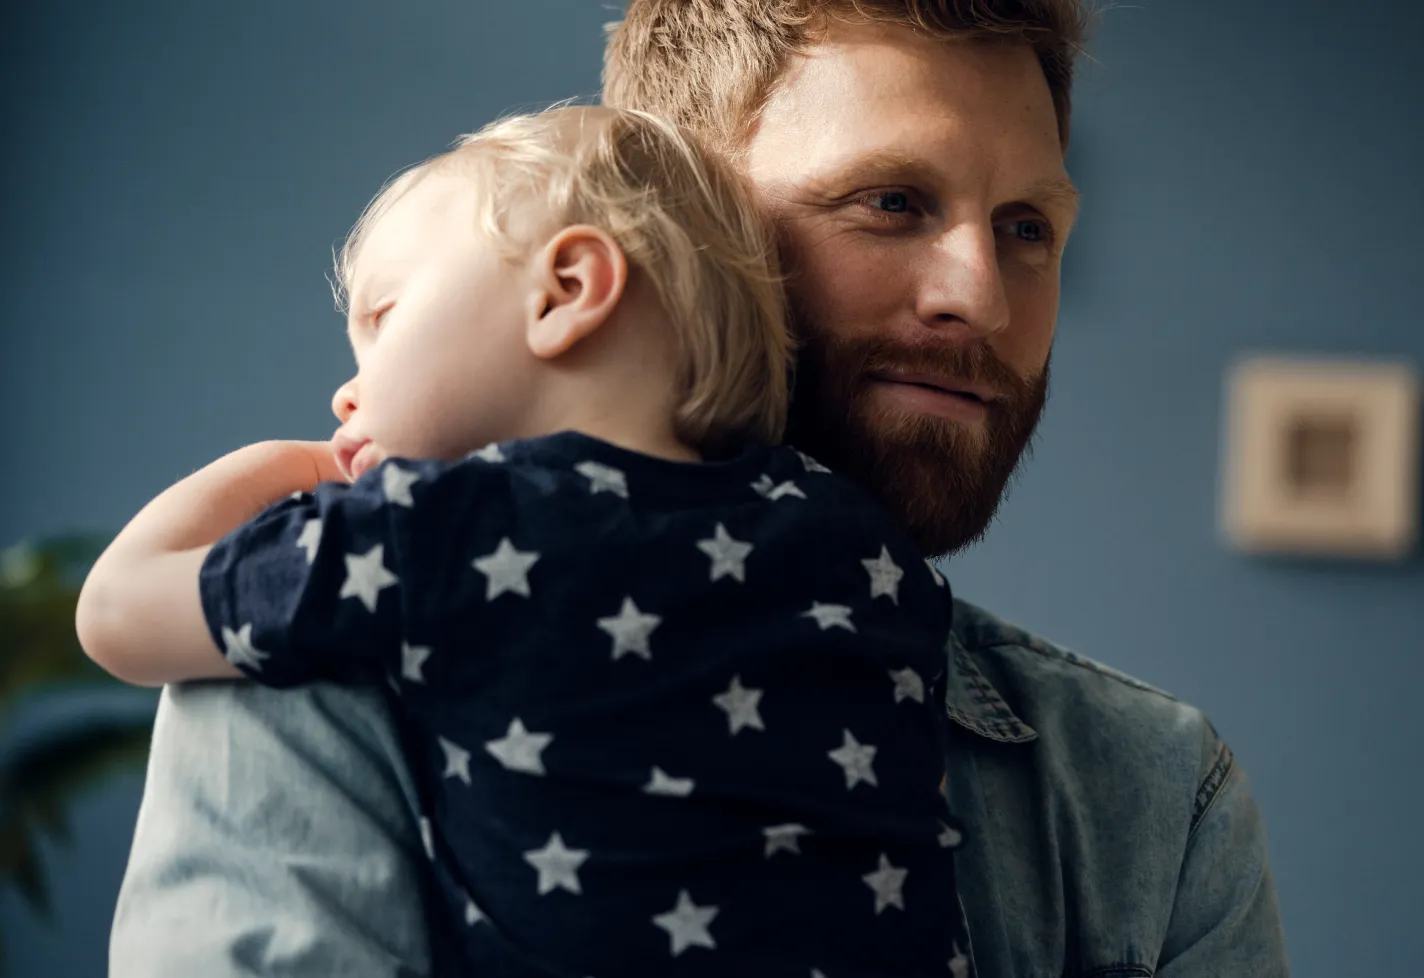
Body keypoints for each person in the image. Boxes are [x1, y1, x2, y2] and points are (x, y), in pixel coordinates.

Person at [109, 2, 1291, 976]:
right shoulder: (326, 662)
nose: (978, 295)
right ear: (680, 211)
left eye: (1026, 225)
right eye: (890, 202)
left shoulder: (1156, 794)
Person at [79, 105, 972, 976]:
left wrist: (289, 462)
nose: (347, 395)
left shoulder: (437, 527)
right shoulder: (856, 538)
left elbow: (115, 613)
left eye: (381, 321)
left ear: (567, 290)